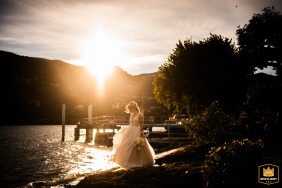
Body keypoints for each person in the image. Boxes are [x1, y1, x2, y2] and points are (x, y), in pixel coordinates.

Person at [112, 101, 155, 169]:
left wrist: (141, 134)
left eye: (130, 109)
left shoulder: (140, 115)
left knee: (136, 146)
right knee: (127, 145)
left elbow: (141, 125)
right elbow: (130, 124)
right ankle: (129, 162)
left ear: (133, 108)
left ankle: (139, 162)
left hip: (136, 131)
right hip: (130, 131)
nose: (129, 111)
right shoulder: (131, 114)